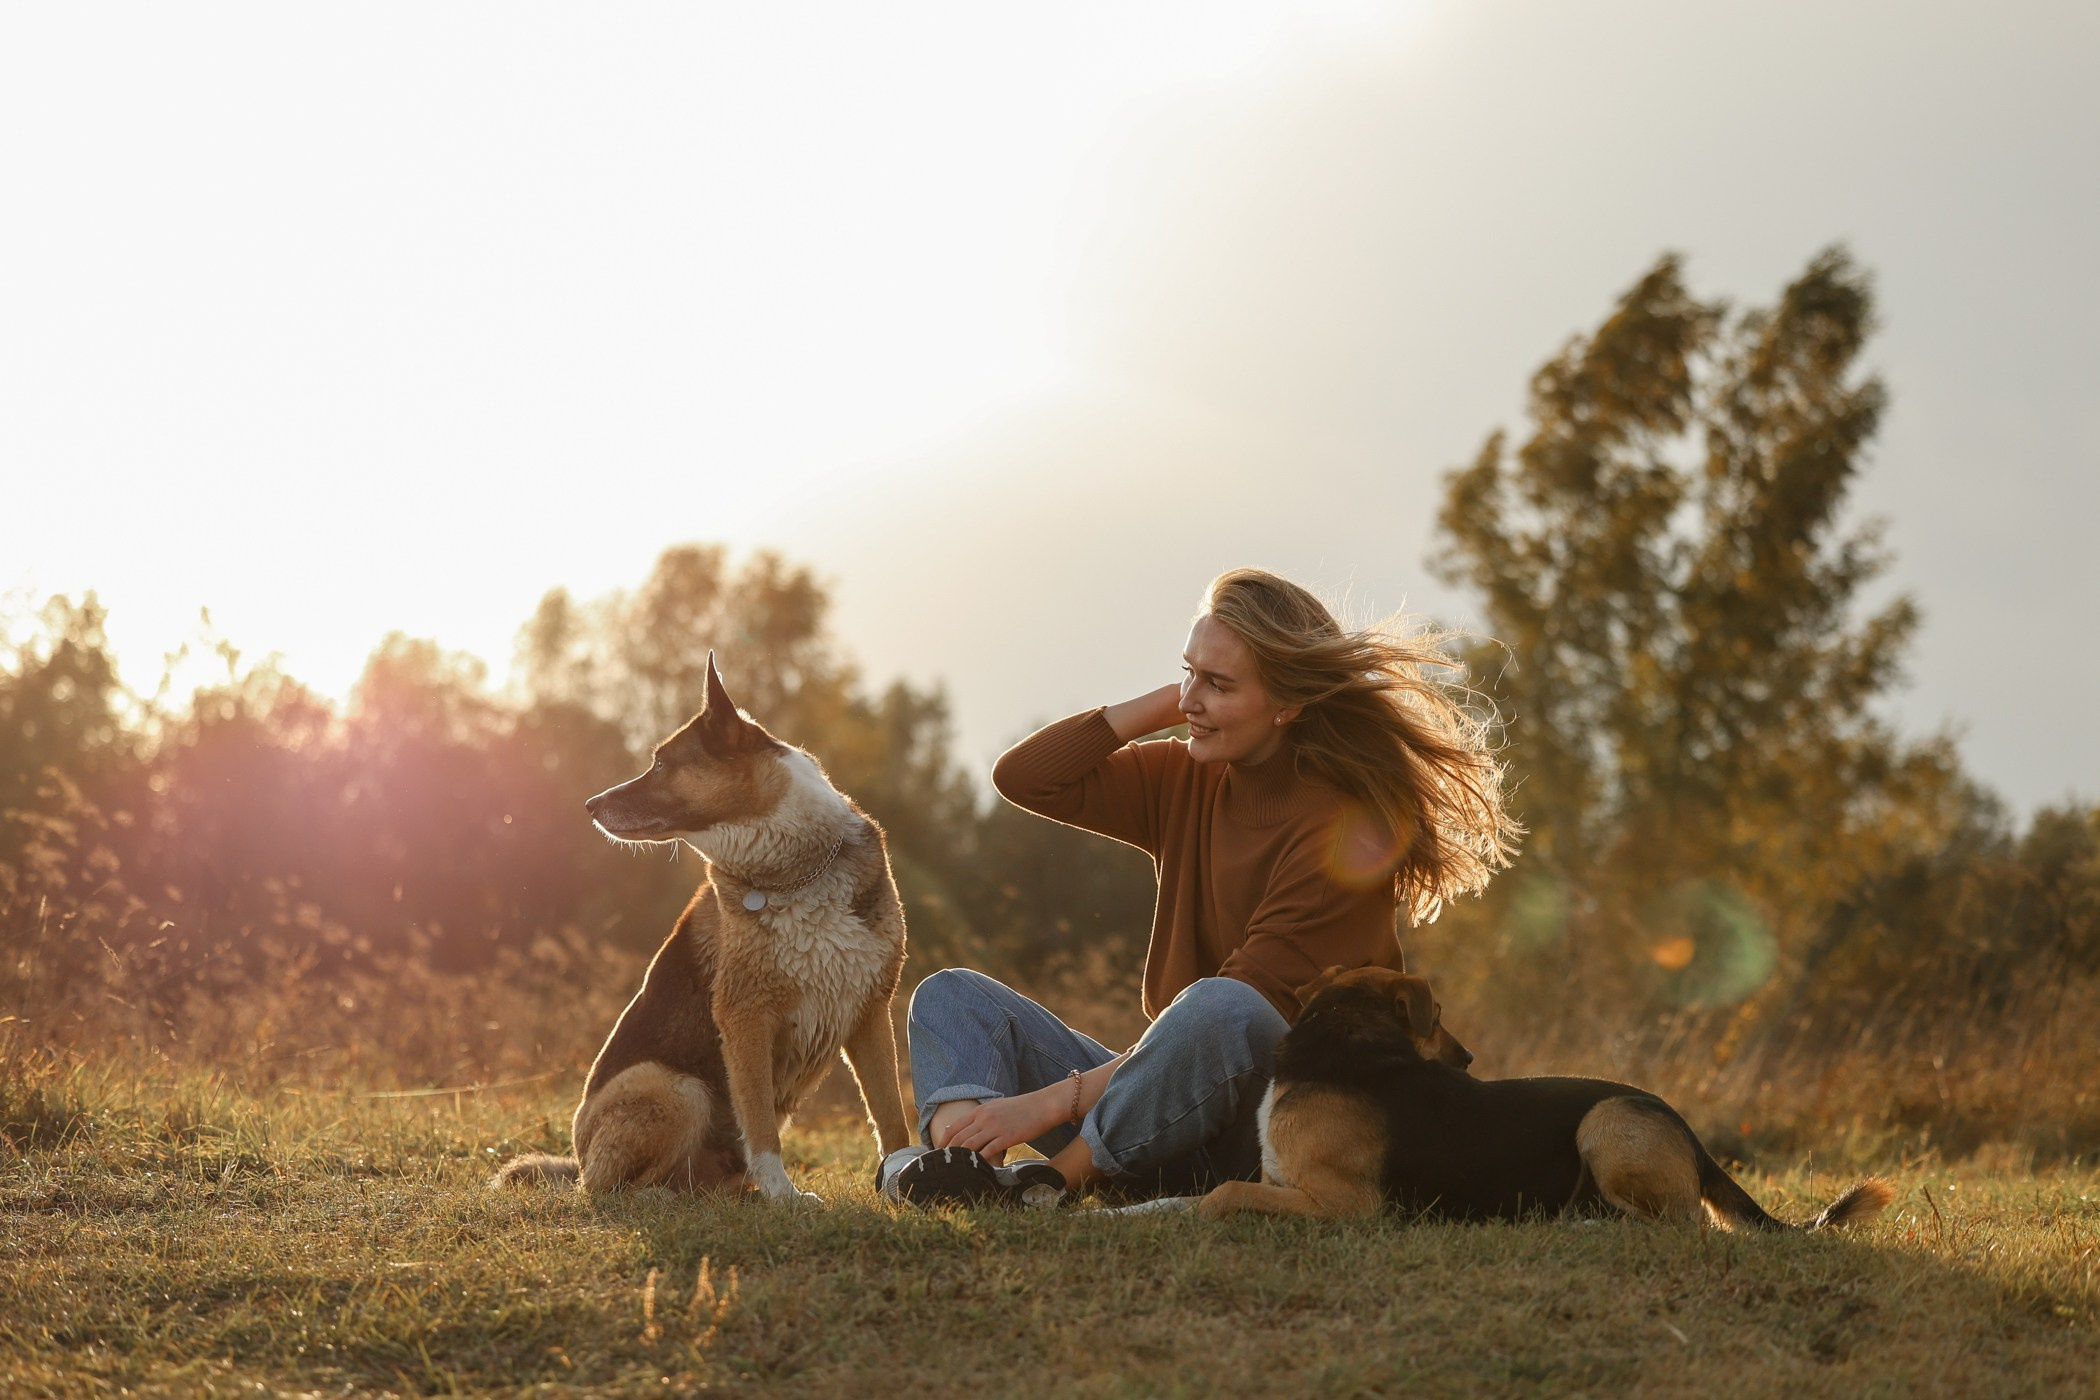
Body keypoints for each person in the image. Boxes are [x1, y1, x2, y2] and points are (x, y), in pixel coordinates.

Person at [880, 568, 1519, 1208]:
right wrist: (1166, 705)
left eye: (1219, 684)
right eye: (1189, 672)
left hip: (1278, 1133)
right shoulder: (1186, 773)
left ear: (1288, 705)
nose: (1192, 699)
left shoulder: (1342, 834)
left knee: (1221, 1007)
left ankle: (1050, 1187)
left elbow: (1234, 1024)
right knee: (952, 996)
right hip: (1156, 1110)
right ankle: (955, 1167)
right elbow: (1026, 777)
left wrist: (1048, 1104)